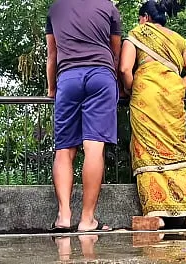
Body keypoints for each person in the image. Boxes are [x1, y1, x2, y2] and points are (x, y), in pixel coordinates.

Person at [119, 0, 186, 229]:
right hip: (172, 97)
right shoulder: (178, 39)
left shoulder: (136, 34)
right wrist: (176, 87)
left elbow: (125, 69)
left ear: (145, 17)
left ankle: (157, 212)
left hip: (145, 97)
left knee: (147, 149)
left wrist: (129, 88)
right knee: (176, 148)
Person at [45, 0, 123, 232]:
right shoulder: (108, 7)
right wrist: (116, 83)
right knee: (94, 147)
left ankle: (64, 216)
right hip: (101, 75)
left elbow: (52, 54)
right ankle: (87, 220)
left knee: (64, 149)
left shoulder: (56, 8)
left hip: (67, 78)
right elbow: (115, 52)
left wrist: (52, 89)